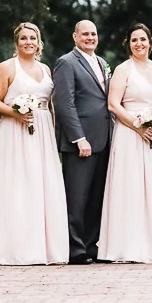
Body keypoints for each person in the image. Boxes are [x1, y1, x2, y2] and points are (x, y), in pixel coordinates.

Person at [0, 23, 69, 266]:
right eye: (23, 38)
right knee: (18, 185)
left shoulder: (45, 69)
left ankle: (45, 248)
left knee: (42, 185)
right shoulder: (7, 67)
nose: (28, 42)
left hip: (42, 130)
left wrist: (51, 131)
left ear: (39, 42)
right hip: (15, 131)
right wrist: (15, 112)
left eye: (33, 38)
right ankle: (16, 249)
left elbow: (49, 104)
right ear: (17, 42)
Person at [99, 23, 152, 264]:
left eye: (143, 39)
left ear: (150, 43)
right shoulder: (123, 70)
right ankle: (127, 245)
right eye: (134, 40)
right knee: (130, 186)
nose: (139, 44)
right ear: (128, 44)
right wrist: (138, 126)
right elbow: (113, 104)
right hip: (129, 135)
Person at [52, 20, 113, 264]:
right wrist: (79, 138)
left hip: (103, 139)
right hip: (80, 142)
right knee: (76, 198)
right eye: (85, 34)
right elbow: (64, 103)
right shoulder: (66, 62)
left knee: (96, 198)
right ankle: (75, 249)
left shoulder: (101, 62)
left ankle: (90, 246)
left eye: (93, 34)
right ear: (75, 37)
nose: (90, 38)